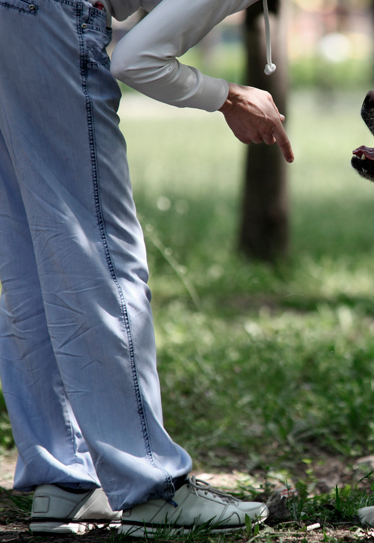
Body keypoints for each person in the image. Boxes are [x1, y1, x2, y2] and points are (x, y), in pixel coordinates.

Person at [0, 0, 293, 537]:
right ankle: (152, 487)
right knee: (101, 256)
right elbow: (135, 58)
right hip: (53, 18)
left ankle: (61, 480)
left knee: (29, 260)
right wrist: (228, 95)